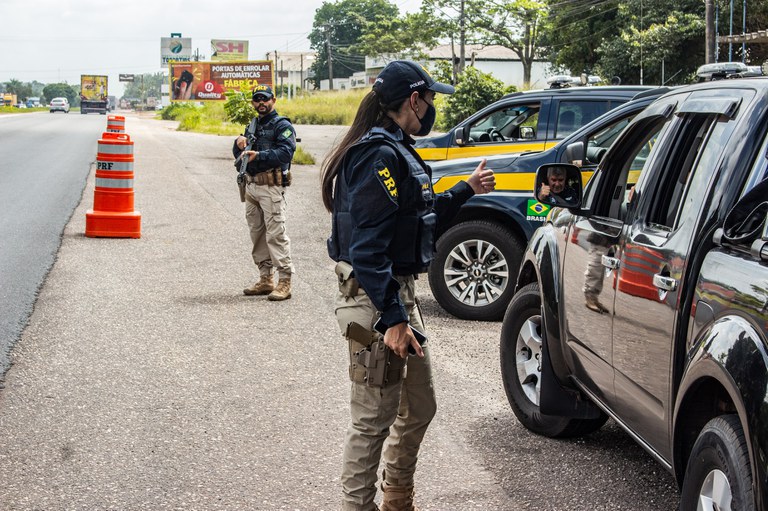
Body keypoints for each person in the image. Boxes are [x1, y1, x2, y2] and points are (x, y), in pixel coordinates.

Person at [321, 60, 496, 511]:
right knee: (372, 421)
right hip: (375, 302)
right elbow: (366, 249)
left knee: (419, 405)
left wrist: (466, 189)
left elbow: (417, 217)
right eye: (431, 98)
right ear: (413, 100)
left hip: (396, 295)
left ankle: (397, 498)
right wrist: (393, 320)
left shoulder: (395, 148)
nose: (434, 107)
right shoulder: (377, 154)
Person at [233, 85, 296, 301]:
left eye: (265, 99)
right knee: (257, 234)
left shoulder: (282, 125)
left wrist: (258, 155)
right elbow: (241, 156)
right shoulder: (252, 125)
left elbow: (286, 152)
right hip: (251, 187)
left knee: (276, 234)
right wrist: (238, 143)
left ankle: (284, 281)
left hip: (271, 187)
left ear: (273, 100)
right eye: (257, 99)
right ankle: (265, 279)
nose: (261, 102)